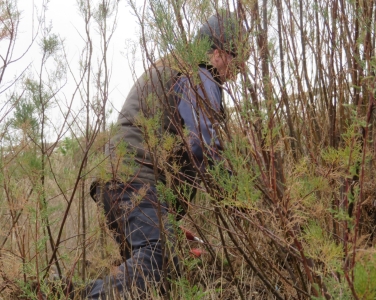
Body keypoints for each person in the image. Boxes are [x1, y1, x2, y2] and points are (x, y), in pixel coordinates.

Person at [85, 10, 248, 299]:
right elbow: (202, 143)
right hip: (134, 180)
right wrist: (238, 196)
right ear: (220, 53)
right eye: (238, 61)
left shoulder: (176, 66)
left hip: (118, 182)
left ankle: (60, 291)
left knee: (160, 274)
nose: (239, 71)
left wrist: (167, 223)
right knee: (153, 265)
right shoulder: (197, 73)